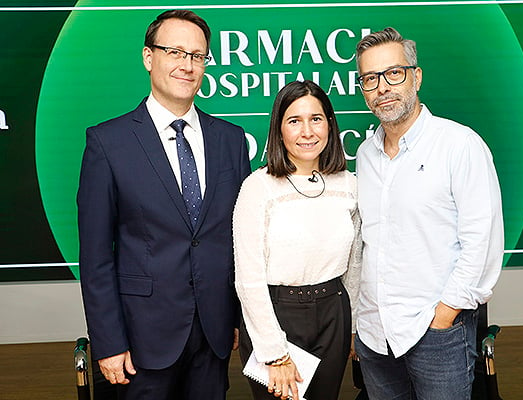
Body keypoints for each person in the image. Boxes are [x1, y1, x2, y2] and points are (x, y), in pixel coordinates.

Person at [77, 10, 251, 400]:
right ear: (148, 57)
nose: (187, 65)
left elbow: (240, 239)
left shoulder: (231, 140)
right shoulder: (108, 143)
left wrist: (239, 316)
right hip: (140, 341)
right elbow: (95, 256)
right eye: (175, 52)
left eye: (197, 55)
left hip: (214, 334)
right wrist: (107, 342)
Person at [353, 27, 504, 400]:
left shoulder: (459, 145)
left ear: (416, 76)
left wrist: (444, 315)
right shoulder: (365, 156)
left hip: (436, 332)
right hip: (375, 334)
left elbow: (481, 241)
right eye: (370, 78)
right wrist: (359, 321)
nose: (382, 87)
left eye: (394, 73)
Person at [233, 80, 362, 400]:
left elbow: (356, 264)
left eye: (316, 119)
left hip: (334, 313)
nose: (307, 131)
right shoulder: (257, 187)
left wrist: (354, 326)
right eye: (295, 121)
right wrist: (275, 353)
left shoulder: (350, 184)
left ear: (330, 125)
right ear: (278, 130)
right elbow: (248, 278)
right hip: (276, 316)